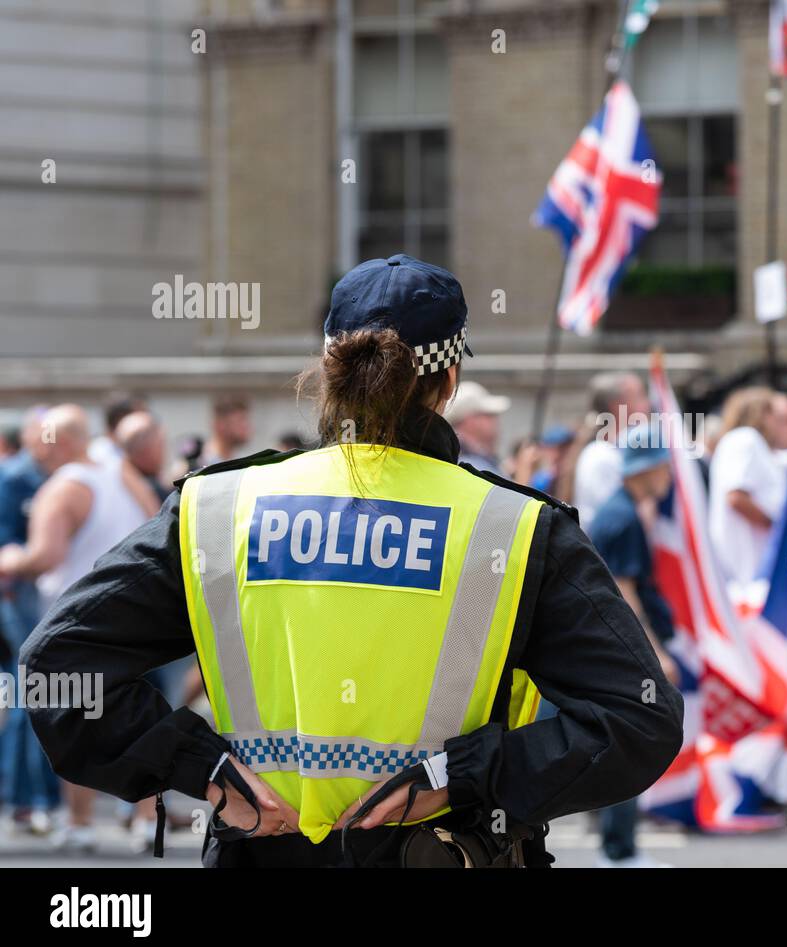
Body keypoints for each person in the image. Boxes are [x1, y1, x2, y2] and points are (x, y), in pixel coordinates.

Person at [19, 253, 683, 868]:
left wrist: (204, 769)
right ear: (449, 380)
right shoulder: (516, 528)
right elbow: (640, 718)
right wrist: (468, 774)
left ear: (327, 370)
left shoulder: (219, 507)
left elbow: (55, 665)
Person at [0, 405, 156, 851]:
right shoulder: (122, 474)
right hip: (137, 618)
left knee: (74, 723)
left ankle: (82, 823)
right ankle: (145, 820)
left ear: (59, 441)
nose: (32, 453)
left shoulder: (63, 486)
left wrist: (9, 558)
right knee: (137, 722)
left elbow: (43, 557)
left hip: (75, 623)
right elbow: (158, 525)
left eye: (37, 442)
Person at [586, 426, 680, 867]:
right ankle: (619, 851)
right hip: (619, 652)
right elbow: (625, 592)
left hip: (606, 650)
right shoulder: (622, 518)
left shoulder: (620, 511)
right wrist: (656, 654)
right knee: (625, 745)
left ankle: (619, 847)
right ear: (652, 468)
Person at [0, 408, 61, 837]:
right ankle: (27, 798)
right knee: (27, 697)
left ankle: (37, 798)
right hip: (19, 598)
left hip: (39, 599)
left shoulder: (50, 477)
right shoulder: (14, 477)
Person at [708, 387, 787, 589]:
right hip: (746, 571)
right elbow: (736, 497)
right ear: (761, 414)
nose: (777, 422)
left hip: (751, 570)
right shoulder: (744, 439)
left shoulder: (748, 443)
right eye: (773, 414)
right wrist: (776, 527)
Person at [574, 372, 650, 522]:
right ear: (617, 406)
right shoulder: (602, 456)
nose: (648, 405)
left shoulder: (614, 453)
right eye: (640, 396)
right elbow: (621, 522)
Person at [444, 381, 510, 472]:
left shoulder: (480, 459)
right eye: (489, 415)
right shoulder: (468, 464)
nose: (496, 420)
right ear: (469, 421)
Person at [116, 410, 170, 506]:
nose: (164, 451)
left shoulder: (116, 476)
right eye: (160, 444)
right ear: (149, 448)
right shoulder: (150, 489)